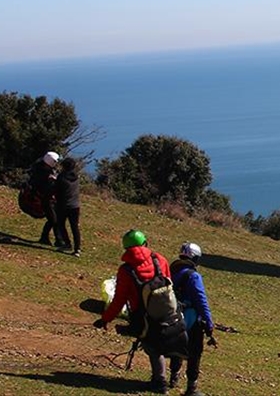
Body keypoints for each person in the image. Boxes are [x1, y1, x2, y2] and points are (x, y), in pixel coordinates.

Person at [93, 229, 181, 394]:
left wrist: (105, 319)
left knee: (152, 347)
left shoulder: (126, 270)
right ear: (145, 243)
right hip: (167, 309)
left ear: (126, 248)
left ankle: (159, 381)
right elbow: (169, 282)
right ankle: (168, 377)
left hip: (142, 315)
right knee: (162, 343)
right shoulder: (160, 260)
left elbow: (119, 300)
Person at [170, 242, 216, 396]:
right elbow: (201, 300)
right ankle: (191, 388)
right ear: (196, 258)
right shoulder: (193, 276)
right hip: (191, 319)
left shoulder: (172, 271)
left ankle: (173, 377)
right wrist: (209, 322)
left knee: (177, 348)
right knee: (194, 352)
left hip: (173, 317)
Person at [27, 151, 62, 247]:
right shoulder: (43, 173)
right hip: (44, 198)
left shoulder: (41, 168)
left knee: (53, 219)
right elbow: (44, 187)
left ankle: (45, 237)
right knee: (54, 220)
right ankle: (58, 240)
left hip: (45, 198)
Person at [53, 156, 82, 256]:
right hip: (75, 205)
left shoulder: (61, 177)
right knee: (75, 227)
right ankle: (77, 249)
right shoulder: (76, 177)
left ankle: (67, 244)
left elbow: (56, 190)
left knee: (60, 224)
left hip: (63, 205)